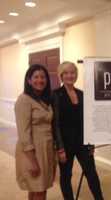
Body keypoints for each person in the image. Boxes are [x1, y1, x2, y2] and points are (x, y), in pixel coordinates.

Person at [52, 61, 104, 200]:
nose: (70, 75)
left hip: (83, 142)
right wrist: (60, 148)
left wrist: (91, 142)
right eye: (66, 73)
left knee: (92, 174)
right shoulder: (55, 95)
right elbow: (55, 123)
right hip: (65, 144)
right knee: (66, 176)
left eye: (73, 72)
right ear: (61, 76)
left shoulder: (82, 94)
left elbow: (88, 120)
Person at [15, 64, 56, 200]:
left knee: (37, 186)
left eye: (43, 77)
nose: (40, 80)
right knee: (39, 189)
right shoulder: (24, 100)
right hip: (33, 150)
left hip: (46, 149)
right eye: (36, 77)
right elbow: (24, 133)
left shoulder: (43, 99)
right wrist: (32, 161)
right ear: (29, 80)